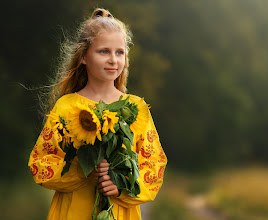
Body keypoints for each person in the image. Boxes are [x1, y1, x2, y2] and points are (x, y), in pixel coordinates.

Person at [28, 8, 167, 220]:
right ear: (83, 56)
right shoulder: (67, 106)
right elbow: (40, 162)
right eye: (104, 51)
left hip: (119, 212)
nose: (113, 60)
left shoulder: (135, 108)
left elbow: (154, 164)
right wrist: (81, 168)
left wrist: (121, 186)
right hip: (74, 210)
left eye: (119, 52)